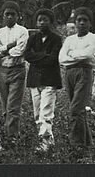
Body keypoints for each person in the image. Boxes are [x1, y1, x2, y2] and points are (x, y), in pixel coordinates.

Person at [58, 6, 95, 149]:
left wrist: (73, 54)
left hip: (84, 72)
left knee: (76, 109)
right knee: (78, 109)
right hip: (69, 73)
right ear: (75, 22)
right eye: (79, 20)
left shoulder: (93, 38)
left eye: (85, 20)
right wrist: (76, 56)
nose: (82, 23)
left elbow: (88, 55)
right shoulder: (69, 39)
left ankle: (76, 144)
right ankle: (87, 143)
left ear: (90, 23)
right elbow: (62, 58)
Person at [24, 8, 63, 151]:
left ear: (51, 22)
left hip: (49, 80)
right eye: (39, 20)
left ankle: (44, 144)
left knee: (46, 112)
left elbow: (53, 59)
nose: (42, 23)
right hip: (34, 80)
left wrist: (37, 56)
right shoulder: (32, 38)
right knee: (37, 113)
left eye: (45, 20)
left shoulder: (56, 39)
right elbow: (27, 55)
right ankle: (47, 141)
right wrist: (43, 55)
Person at [0, 0, 28, 140]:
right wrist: (8, 47)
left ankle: (12, 138)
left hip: (17, 69)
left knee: (13, 106)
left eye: (13, 14)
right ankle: (7, 135)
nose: (10, 17)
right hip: (2, 70)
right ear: (3, 16)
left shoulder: (22, 31)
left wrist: (4, 50)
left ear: (18, 16)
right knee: (5, 105)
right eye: (7, 14)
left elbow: (19, 51)